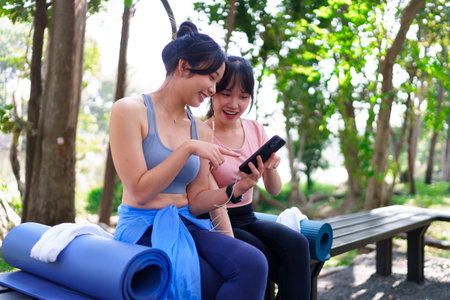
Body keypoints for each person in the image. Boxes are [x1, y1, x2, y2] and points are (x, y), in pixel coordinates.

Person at [109, 21, 268, 300]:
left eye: (217, 81)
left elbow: (195, 201)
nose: (213, 88)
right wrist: (185, 149)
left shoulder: (201, 130)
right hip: (143, 227)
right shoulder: (130, 111)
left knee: (253, 263)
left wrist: (235, 190)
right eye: (212, 78)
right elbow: (139, 190)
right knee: (207, 279)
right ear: (184, 67)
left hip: (187, 223)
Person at [204, 56, 311, 300]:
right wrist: (240, 186)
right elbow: (203, 197)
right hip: (216, 221)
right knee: (261, 256)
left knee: (298, 245)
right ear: (212, 92)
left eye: (243, 96)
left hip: (247, 217)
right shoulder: (203, 133)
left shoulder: (255, 129)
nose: (234, 104)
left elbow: (274, 190)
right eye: (226, 94)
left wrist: (271, 167)